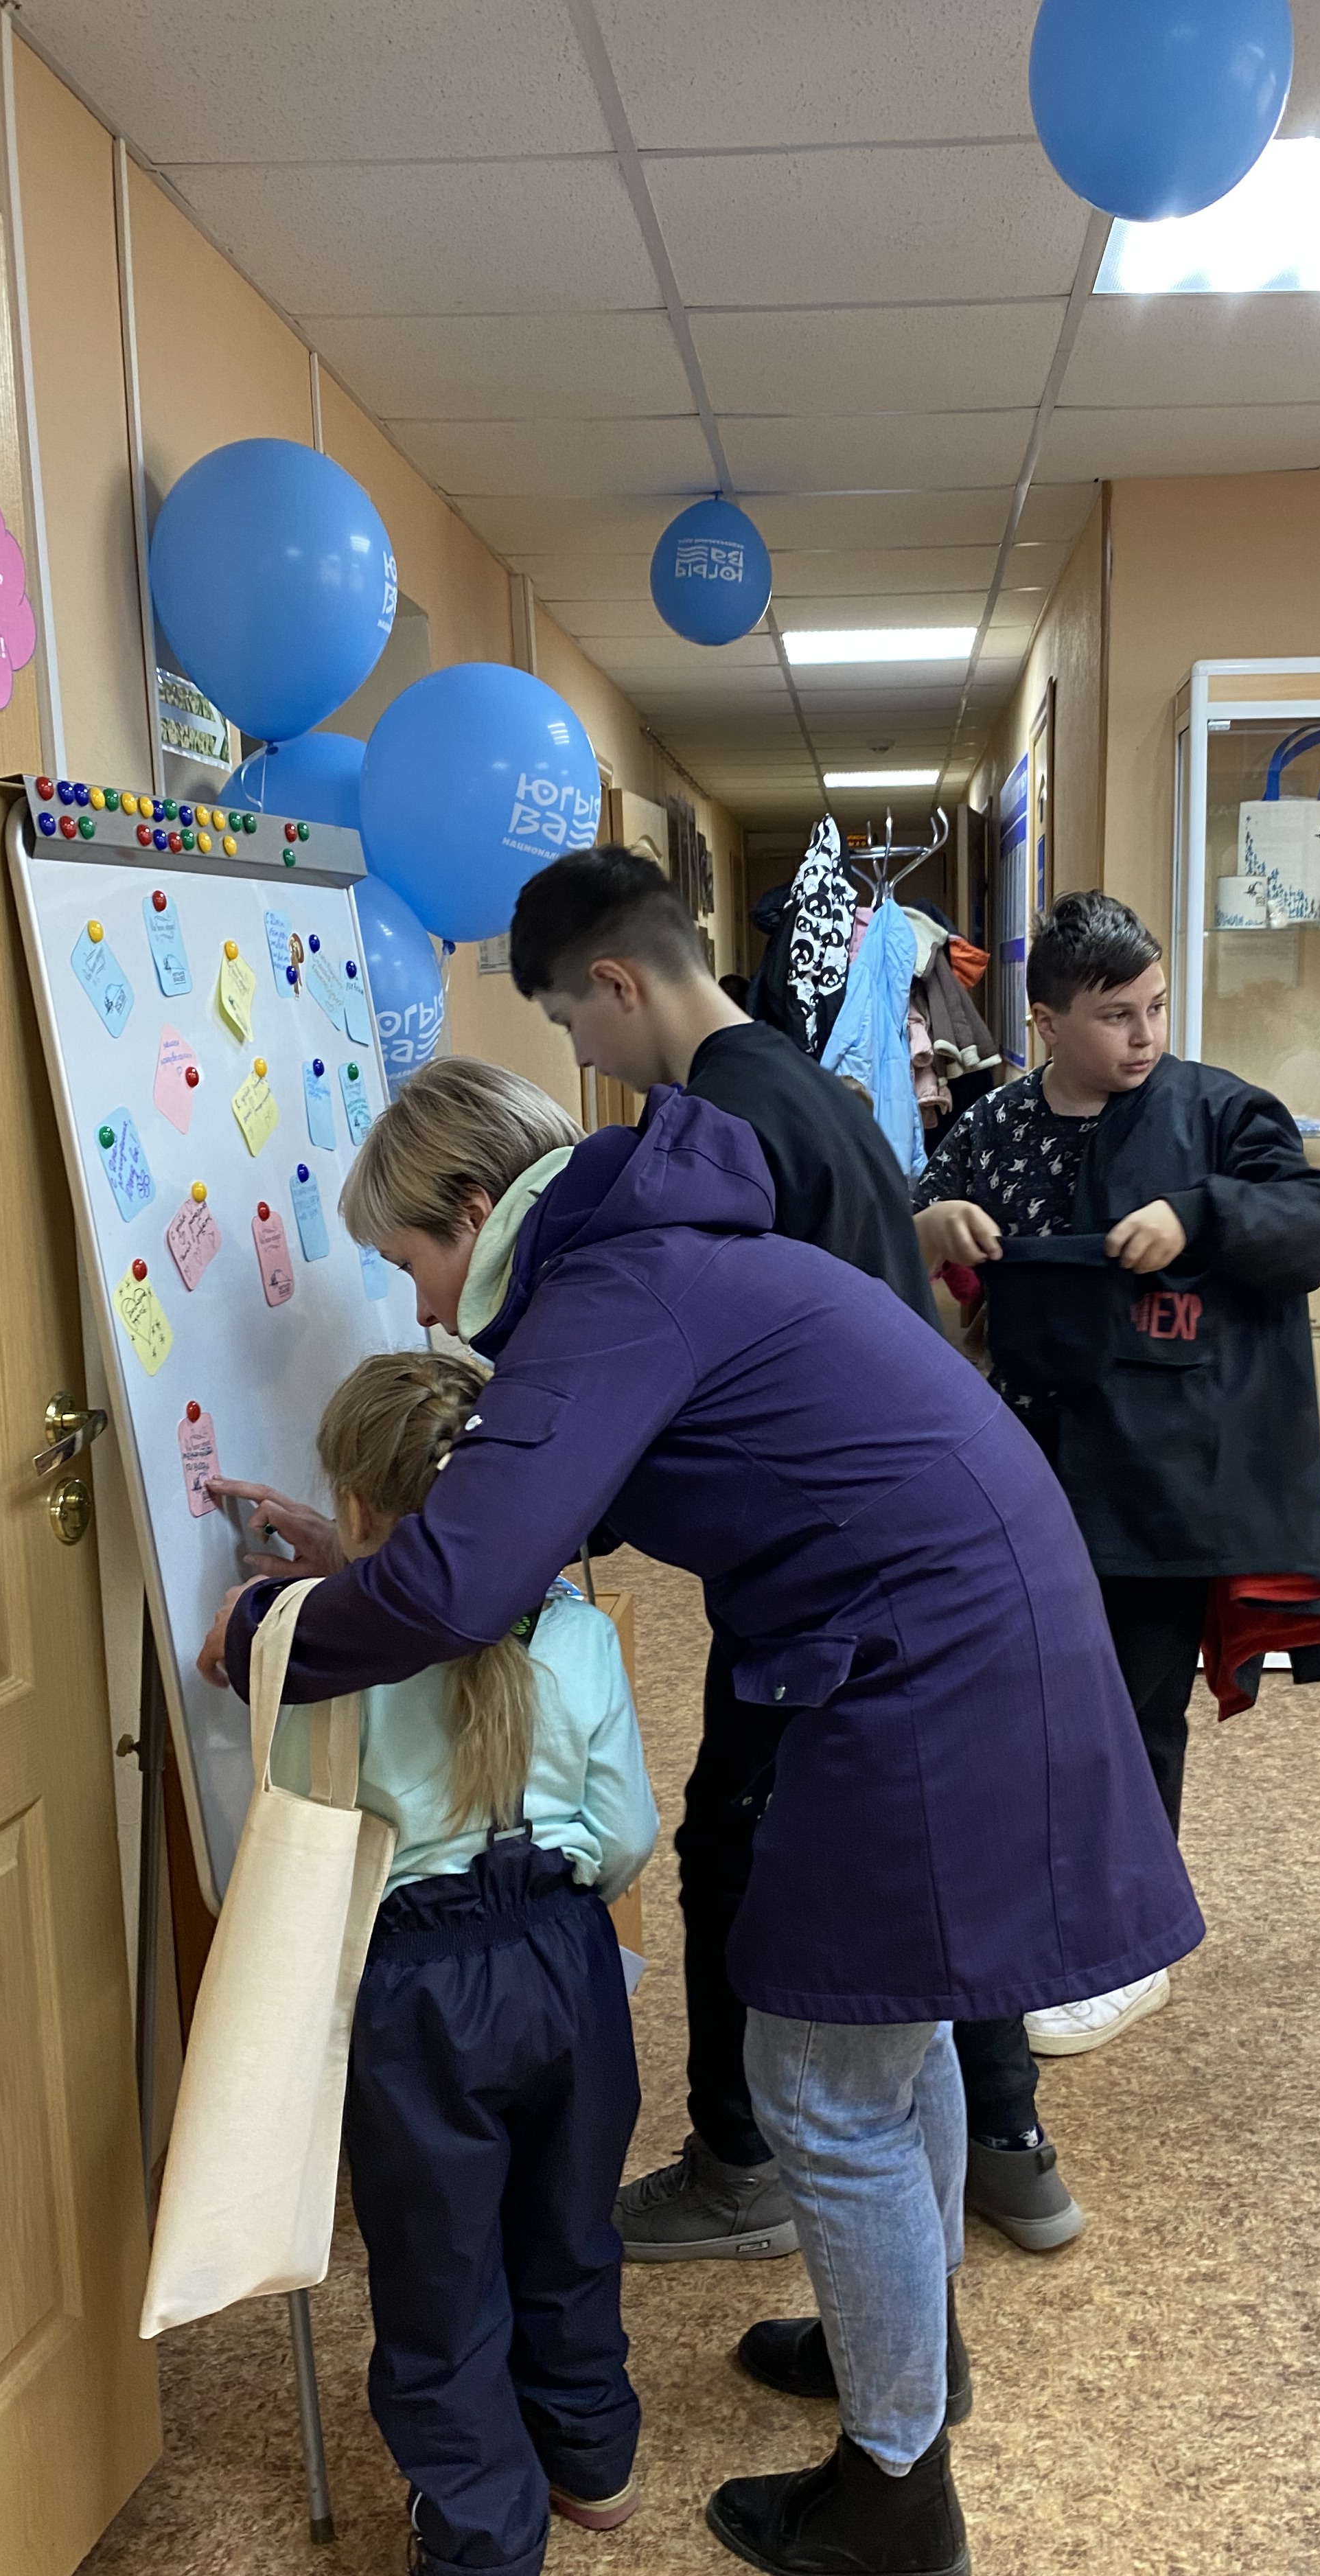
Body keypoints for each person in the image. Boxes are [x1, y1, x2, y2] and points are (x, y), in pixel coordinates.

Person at [198, 1060, 1205, 2576]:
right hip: (973, 1625)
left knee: (824, 2078)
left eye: (411, 1260)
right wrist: (356, 1556)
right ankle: (910, 2353)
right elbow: (525, 1529)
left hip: (927, 1662)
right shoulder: (660, 1259)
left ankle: (896, 2494)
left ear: (474, 1209)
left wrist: (272, 1627)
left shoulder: (608, 1296)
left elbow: (467, 1586)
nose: (417, 1305)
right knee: (899, 2035)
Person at [506, 845, 1082, 2260]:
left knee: (740, 1850)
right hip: (905, 1539)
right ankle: (1005, 2139)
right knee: (920, 1867)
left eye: (572, 1021)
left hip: (834, 1570)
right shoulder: (811, 1089)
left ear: (618, 982)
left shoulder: (720, 1128)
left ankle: (742, 2163)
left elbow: (681, 1362)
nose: (583, 1056)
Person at [261, 1348, 657, 2576]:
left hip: (418, 1989)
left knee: (441, 2280)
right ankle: (593, 2460)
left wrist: (292, 1606)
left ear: (356, 1508)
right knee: (570, 2225)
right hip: (566, 1962)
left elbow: (301, 1829)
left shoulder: (329, 1651)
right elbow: (623, 1835)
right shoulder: (579, 1632)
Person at [917, 891, 1320, 2057]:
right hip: (1014, 1470)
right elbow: (900, 1233)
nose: (1145, 1034)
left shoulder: (1217, 1113)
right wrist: (933, 1227)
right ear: (1047, 1020)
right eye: (1115, 1016)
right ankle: (1041, 1911)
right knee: (1025, 1706)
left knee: (1129, 1710)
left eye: (1156, 1006)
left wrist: (1200, 1216)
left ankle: (1132, 1943)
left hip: (1161, 1480)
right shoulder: (996, 1126)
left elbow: (1315, 1223)